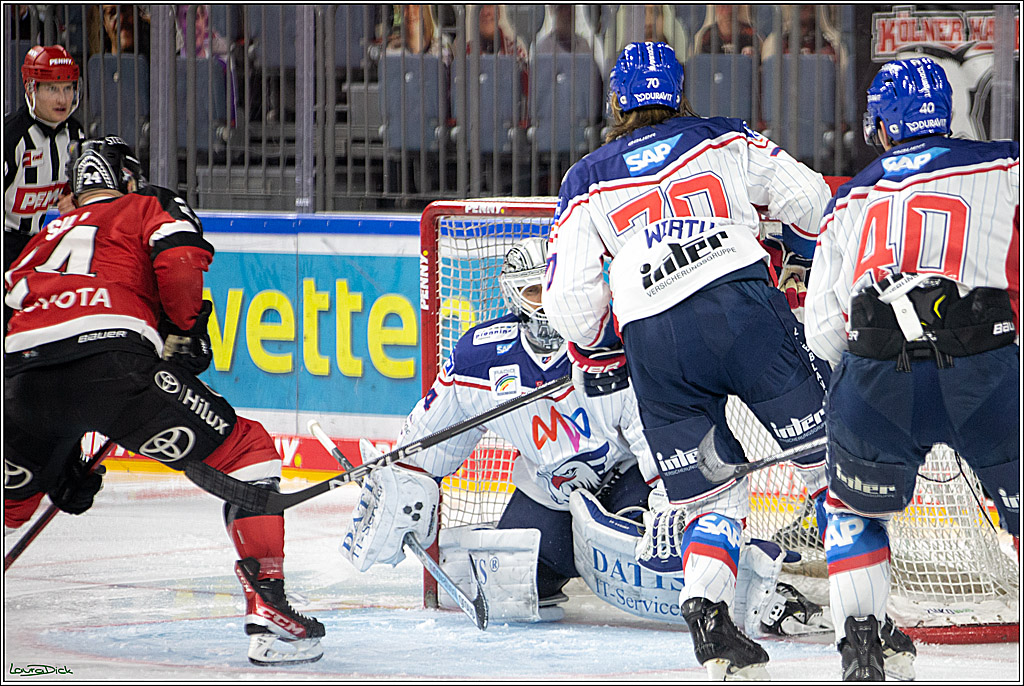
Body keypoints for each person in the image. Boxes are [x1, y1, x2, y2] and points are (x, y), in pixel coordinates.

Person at [340, 237, 827, 634]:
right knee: (510, 584)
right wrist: (399, 487)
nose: (547, 308)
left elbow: (655, 428)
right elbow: (424, 446)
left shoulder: (613, 348)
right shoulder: (478, 360)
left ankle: (763, 583)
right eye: (533, 294)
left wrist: (669, 497)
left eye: (552, 293)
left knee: (668, 557)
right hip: (549, 497)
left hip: (627, 486)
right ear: (514, 296)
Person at [542, 41, 834, 679]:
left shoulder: (585, 178)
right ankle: (866, 624)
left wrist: (602, 344)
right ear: (679, 91)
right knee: (826, 465)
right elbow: (812, 199)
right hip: (743, 316)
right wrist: (793, 244)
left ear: (618, 101)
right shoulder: (722, 136)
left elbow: (567, 303)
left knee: (713, 494)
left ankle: (708, 616)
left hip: (659, 345)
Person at [3, 137, 325, 667]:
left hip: (20, 377)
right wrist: (181, 328)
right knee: (249, 452)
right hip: (114, 367)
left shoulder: (41, 238)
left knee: (13, 504)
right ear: (128, 177)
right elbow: (177, 262)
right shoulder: (147, 204)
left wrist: (55, 460)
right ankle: (268, 610)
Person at [805, 56, 1019, 681]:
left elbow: (823, 329)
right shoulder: (1007, 165)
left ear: (882, 123)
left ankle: (863, 647)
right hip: (985, 370)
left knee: (851, 510)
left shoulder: (851, 197)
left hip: (877, 381)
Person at [4, 44, 85, 332]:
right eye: (52, 89)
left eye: (67, 87)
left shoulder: (76, 134)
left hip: (44, 247)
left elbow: (80, 193)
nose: (62, 98)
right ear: (31, 89)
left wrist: (75, 201)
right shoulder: (11, 136)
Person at [694, 5, 760, 56]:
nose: (727, 11)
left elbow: (757, 64)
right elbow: (703, 63)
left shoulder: (749, 32)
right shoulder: (708, 35)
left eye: (730, 6)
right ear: (717, 10)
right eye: (723, 7)